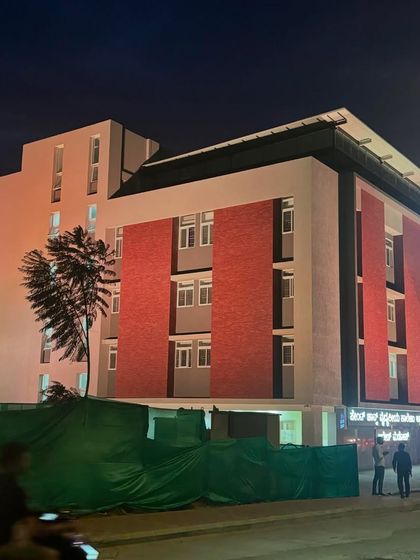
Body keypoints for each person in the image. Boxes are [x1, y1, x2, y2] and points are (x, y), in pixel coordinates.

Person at [0, 442, 85, 560]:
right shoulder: (11, 488)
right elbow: (33, 530)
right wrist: (63, 527)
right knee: (55, 554)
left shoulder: (8, 483)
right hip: (7, 546)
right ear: (16, 461)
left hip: (10, 540)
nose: (27, 465)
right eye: (25, 460)